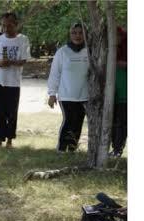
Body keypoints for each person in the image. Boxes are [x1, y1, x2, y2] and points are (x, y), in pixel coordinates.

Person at [0, 12, 30, 149]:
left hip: (13, 82)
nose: (6, 28)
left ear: (16, 25)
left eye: (10, 25)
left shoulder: (23, 39)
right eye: (4, 26)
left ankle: (10, 141)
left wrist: (10, 62)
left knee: (12, 112)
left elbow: (24, 61)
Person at [47, 22, 89, 153]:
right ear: (70, 34)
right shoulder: (62, 52)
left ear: (85, 34)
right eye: (74, 33)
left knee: (78, 122)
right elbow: (54, 74)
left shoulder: (90, 51)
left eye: (80, 32)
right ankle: (61, 148)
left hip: (84, 95)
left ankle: (72, 148)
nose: (77, 35)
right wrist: (52, 94)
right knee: (69, 121)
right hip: (66, 95)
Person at [111, 26, 127, 157]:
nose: (116, 38)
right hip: (110, 95)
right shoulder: (106, 49)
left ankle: (117, 150)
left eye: (119, 35)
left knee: (122, 123)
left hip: (124, 94)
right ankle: (113, 148)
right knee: (111, 122)